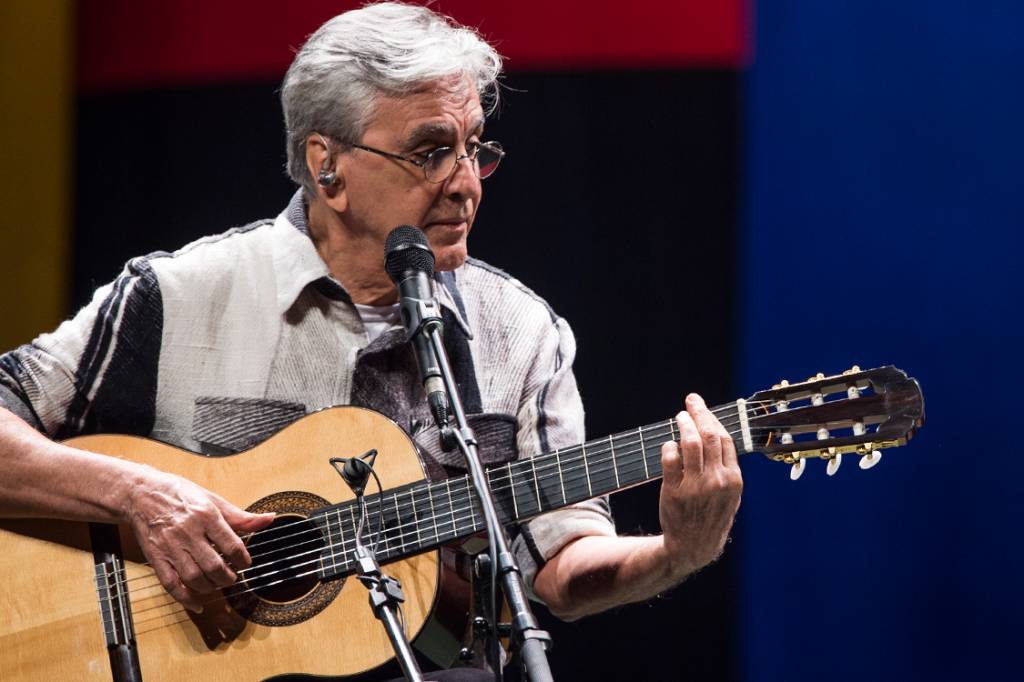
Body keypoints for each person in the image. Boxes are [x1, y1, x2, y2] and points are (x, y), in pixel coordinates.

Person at [0, 1, 742, 677]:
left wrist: (679, 551)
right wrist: (137, 495)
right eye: (429, 152)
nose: (465, 183)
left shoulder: (519, 330)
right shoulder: (177, 295)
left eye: (474, 148)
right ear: (328, 167)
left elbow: (560, 569)